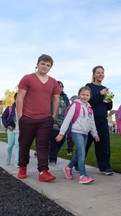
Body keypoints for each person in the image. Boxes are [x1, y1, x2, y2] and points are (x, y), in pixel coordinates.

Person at [16, 54, 60, 182]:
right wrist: (20, 117)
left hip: (45, 119)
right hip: (27, 118)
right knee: (24, 144)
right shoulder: (27, 78)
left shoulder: (53, 82)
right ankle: (22, 166)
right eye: (43, 64)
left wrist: (53, 116)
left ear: (50, 67)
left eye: (48, 65)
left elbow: (56, 98)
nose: (45, 67)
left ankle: (43, 171)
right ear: (38, 64)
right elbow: (20, 97)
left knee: (42, 145)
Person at [56, 86, 100, 184]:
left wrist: (95, 134)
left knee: (79, 153)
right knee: (82, 153)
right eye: (83, 94)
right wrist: (61, 133)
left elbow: (92, 122)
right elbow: (67, 120)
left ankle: (68, 168)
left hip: (85, 133)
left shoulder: (89, 108)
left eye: (87, 95)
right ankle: (83, 175)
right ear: (79, 95)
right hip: (76, 132)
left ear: (90, 96)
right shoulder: (75, 105)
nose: (85, 97)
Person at [85, 65, 113, 175]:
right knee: (86, 143)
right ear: (94, 75)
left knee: (104, 144)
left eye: (102, 72)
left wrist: (109, 100)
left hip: (102, 120)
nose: (100, 74)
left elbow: (109, 107)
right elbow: (88, 101)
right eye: (98, 72)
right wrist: (100, 94)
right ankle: (77, 164)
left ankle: (105, 167)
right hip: (90, 119)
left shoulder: (106, 89)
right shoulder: (89, 86)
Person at [48, 81, 70, 165]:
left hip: (63, 121)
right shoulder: (50, 96)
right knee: (54, 139)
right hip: (53, 120)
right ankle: (52, 159)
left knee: (62, 140)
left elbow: (68, 108)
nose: (60, 88)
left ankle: (49, 153)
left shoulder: (65, 97)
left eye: (61, 86)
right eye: (58, 86)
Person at [1, 93, 19, 167]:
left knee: (18, 145)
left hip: (20, 130)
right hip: (11, 130)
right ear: (15, 99)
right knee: (10, 146)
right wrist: (7, 126)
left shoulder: (24, 109)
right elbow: (3, 117)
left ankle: (16, 162)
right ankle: (8, 159)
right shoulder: (10, 108)